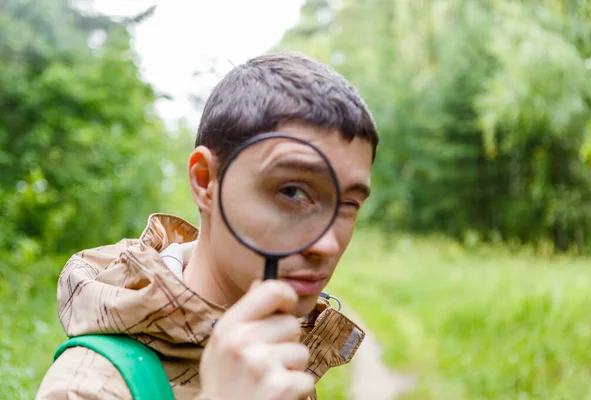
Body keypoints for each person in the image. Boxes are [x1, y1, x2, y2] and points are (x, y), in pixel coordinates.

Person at [36, 51, 379, 400]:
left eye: (349, 203)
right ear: (205, 181)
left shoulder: (277, 354)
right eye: (291, 192)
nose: (327, 245)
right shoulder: (88, 388)